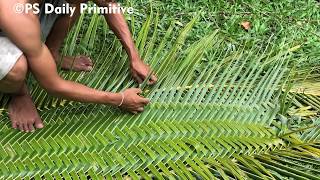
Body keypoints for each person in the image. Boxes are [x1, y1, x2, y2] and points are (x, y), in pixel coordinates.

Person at [0, 0, 157, 133]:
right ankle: (18, 94)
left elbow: (108, 4)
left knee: (75, 1)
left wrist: (135, 58)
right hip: (12, 20)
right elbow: (54, 85)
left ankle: (52, 54)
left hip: (23, 18)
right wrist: (120, 99)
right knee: (17, 68)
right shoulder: (14, 12)